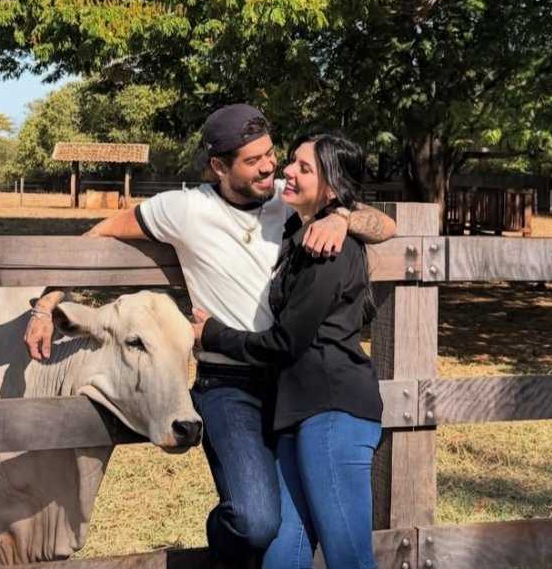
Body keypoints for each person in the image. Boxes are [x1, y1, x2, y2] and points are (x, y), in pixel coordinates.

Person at [24, 105, 396, 568]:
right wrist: (46, 302)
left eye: (271, 154)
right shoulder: (183, 209)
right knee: (257, 520)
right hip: (230, 385)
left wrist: (341, 218)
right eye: (252, 160)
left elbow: (386, 225)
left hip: (290, 384)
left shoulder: (291, 197)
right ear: (219, 166)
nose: (269, 168)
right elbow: (99, 233)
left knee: (290, 532)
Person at [191, 133, 383, 569]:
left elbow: (286, 343)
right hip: (297, 416)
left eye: (303, 168)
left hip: (333, 413)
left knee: (348, 558)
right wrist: (339, 215)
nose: (287, 173)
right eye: (291, 162)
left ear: (331, 188)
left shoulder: (328, 251)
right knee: (283, 559)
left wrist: (214, 335)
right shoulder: (300, 233)